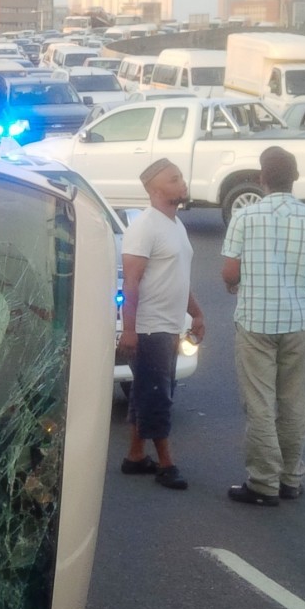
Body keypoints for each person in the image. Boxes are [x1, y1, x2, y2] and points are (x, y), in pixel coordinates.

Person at [220, 145, 305, 506]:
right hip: (298, 322)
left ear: (261, 179)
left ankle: (263, 481)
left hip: (255, 322)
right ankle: (291, 477)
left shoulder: (245, 217)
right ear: (296, 178)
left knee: (259, 403)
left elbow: (229, 271)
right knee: (293, 402)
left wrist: (236, 283)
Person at [118, 157, 204, 491]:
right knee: (158, 395)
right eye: (173, 179)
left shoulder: (175, 225)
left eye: (181, 177)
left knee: (146, 391)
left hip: (169, 325)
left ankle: (136, 456)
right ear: (155, 189)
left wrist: (196, 312)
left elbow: (178, 278)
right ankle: (166, 463)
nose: (182, 183)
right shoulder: (145, 226)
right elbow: (132, 283)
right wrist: (129, 329)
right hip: (149, 327)